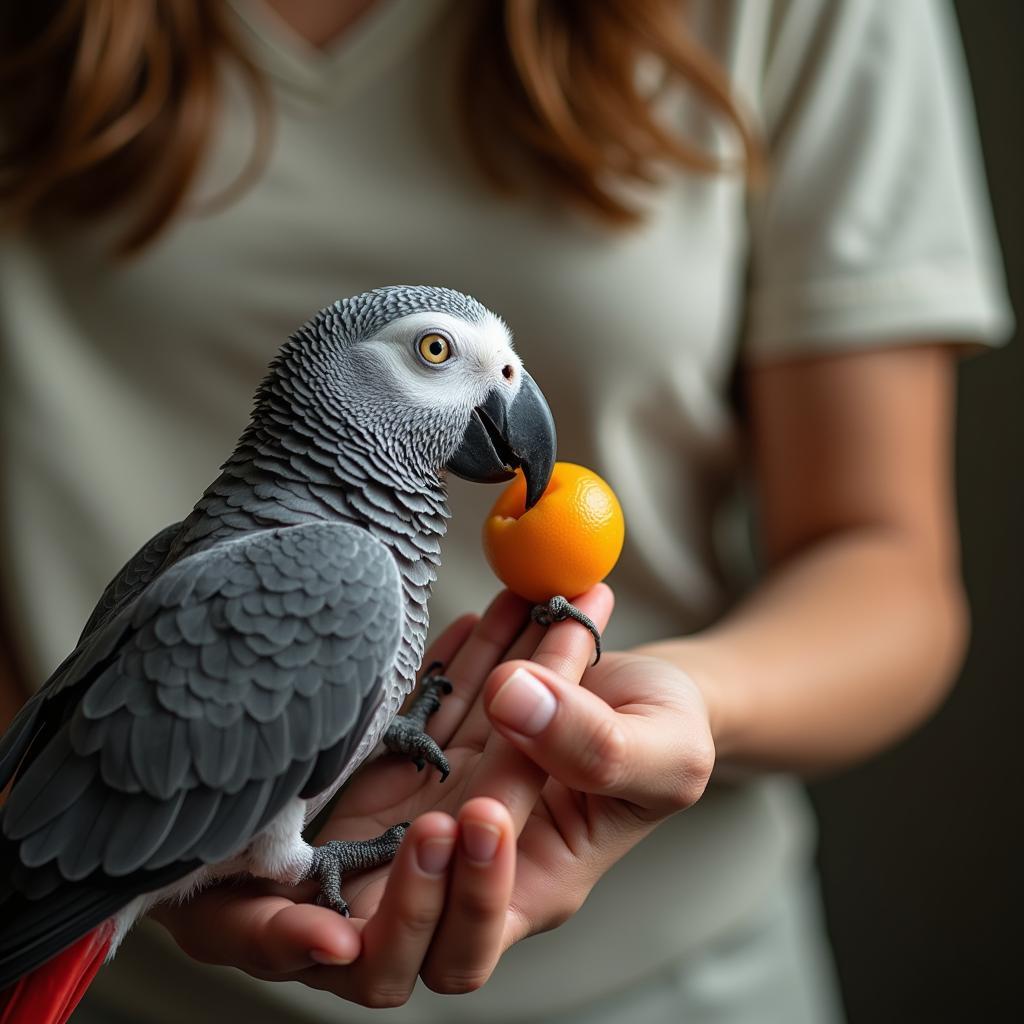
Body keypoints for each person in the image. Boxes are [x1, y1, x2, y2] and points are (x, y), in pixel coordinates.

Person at [0, 0, 1012, 1021]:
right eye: (436, 355)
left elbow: (883, 556)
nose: (506, 388)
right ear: (330, 385)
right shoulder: (324, 572)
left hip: (683, 979)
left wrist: (672, 709)